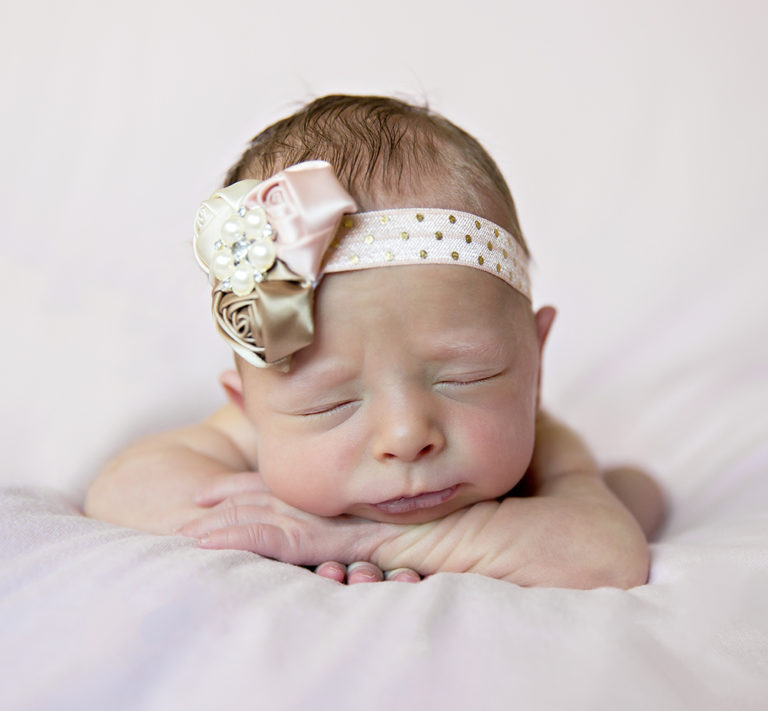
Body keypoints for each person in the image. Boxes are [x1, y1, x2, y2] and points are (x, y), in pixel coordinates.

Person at [85, 95, 666, 586]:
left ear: (535, 365)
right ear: (249, 407)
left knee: (635, 493)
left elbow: (606, 553)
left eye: (464, 378)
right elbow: (120, 492)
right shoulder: (249, 437)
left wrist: (354, 537)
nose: (407, 435)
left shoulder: (542, 446)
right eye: (330, 404)